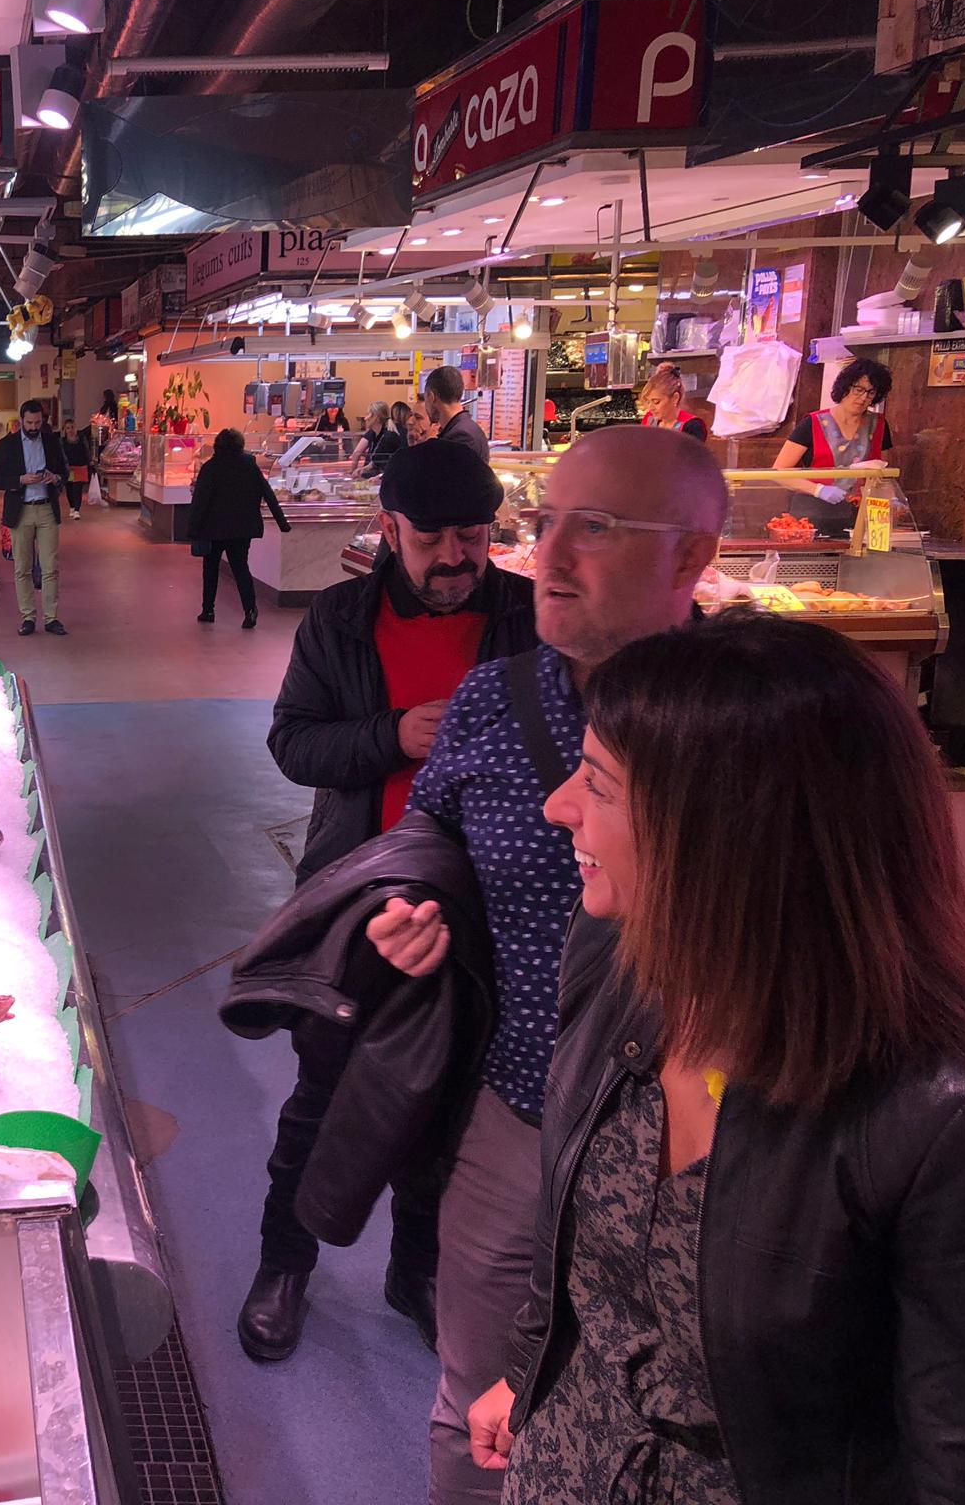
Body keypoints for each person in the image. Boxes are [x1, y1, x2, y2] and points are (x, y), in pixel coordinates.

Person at [463, 612, 965, 1504]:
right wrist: (531, 1369)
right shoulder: (619, 963)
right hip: (565, 1464)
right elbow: (577, 1237)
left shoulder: (939, 1118)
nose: (559, 807)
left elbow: (955, 1453)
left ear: (725, 835)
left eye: (598, 783)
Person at [380, 425, 727, 1504]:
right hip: (521, 1101)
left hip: (707, 1144)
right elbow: (428, 835)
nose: (550, 557)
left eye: (599, 529)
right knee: (475, 1392)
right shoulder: (491, 699)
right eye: (542, 526)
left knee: (683, 1414)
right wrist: (407, 908)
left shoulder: (753, 725)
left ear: (690, 560)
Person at [249, 442, 536, 1363]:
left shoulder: (529, 619)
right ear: (389, 530)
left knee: (452, 1104)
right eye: (433, 537)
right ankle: (283, 1265)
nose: (455, 556)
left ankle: (414, 1270)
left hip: (491, 910)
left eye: (474, 535)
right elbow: (293, 745)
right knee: (321, 1096)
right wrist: (394, 735)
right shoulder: (339, 620)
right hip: (357, 895)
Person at [771, 356, 896, 538]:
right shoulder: (812, 424)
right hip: (813, 515)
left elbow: (882, 475)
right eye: (858, 389)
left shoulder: (880, 426)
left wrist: (891, 501)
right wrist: (818, 490)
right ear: (845, 387)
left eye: (870, 393)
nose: (862, 398)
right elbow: (779, 472)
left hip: (860, 518)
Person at [187, 428, 292, 630]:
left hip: (213, 528)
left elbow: (200, 501)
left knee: (210, 569)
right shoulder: (250, 467)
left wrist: (193, 528)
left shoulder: (210, 468)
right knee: (241, 568)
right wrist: (282, 523)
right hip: (242, 528)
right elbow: (268, 494)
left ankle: (208, 610)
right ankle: (250, 610)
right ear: (240, 446)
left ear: (217, 446)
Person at [0, 398, 70, 636]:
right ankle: (27, 617)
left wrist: (54, 478)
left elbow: (65, 473)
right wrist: (20, 480)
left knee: (50, 567)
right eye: (30, 422)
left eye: (38, 422)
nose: (34, 427)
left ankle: (51, 618)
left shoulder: (52, 442)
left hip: (46, 509)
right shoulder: (7, 445)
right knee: (22, 568)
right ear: (21, 421)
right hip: (20, 510)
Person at [425, 366, 489, 462]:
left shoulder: (461, 437)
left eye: (426, 397)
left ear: (432, 396)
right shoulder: (465, 428)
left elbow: (442, 474)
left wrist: (430, 445)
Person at [635, 361, 706, 441]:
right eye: (648, 402)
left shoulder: (692, 426)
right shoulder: (649, 419)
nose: (650, 408)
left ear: (675, 398)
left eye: (656, 402)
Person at [348, 401, 407, 478]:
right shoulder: (374, 433)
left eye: (368, 414)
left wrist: (358, 471)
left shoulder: (388, 437)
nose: (365, 418)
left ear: (376, 417)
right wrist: (360, 470)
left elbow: (386, 467)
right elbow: (373, 462)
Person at [60, 417, 93, 521]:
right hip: (69, 468)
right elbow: (61, 455)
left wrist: (89, 461)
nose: (70, 430)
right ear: (65, 430)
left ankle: (77, 510)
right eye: (68, 428)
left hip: (80, 467)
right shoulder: (62, 441)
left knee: (77, 489)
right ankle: (72, 507)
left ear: (76, 428)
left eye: (72, 427)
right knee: (69, 489)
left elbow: (86, 451)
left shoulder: (81, 439)